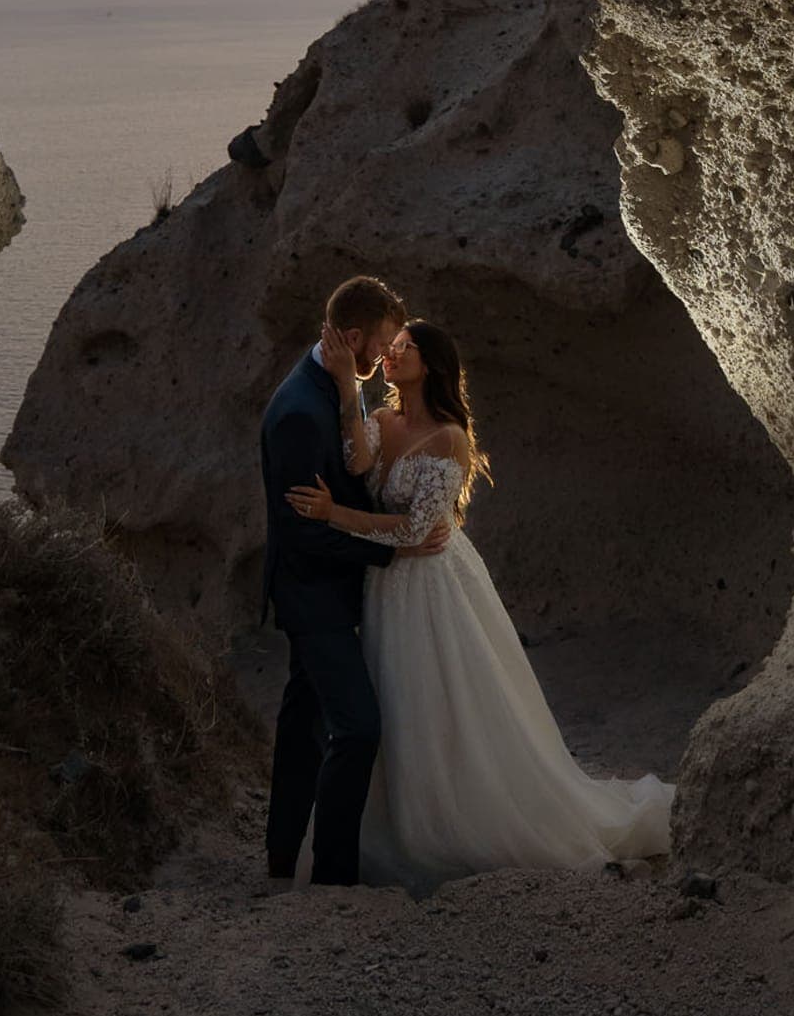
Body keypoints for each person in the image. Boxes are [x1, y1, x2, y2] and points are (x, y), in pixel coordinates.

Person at [287, 316, 674, 891]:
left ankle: (454, 823)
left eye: (405, 348)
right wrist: (349, 382)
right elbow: (357, 463)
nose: (392, 354)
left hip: (433, 588)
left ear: (433, 364)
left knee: (443, 701)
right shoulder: (382, 419)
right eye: (390, 348)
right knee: (394, 704)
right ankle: (387, 826)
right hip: (387, 590)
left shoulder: (449, 438)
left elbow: (417, 533)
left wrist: (334, 515)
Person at [258, 274, 447, 886]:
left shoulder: (329, 386)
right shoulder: (297, 414)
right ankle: (334, 874)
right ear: (357, 337)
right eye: (386, 341)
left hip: (330, 589)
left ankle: (283, 857)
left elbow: (354, 464)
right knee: (358, 727)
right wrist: (393, 553)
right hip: (314, 596)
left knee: (301, 723)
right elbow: (300, 533)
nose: (389, 354)